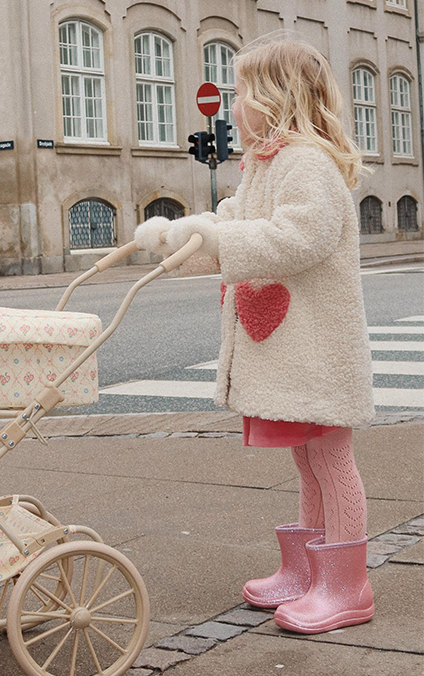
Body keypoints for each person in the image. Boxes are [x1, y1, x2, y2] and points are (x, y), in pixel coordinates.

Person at [135, 35, 375, 635]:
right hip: (296, 351)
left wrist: (216, 242)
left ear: (275, 97)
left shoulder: (307, 162)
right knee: (307, 459)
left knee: (330, 456)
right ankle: (307, 572)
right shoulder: (269, 161)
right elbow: (233, 222)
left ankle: (346, 585)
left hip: (319, 349)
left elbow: (300, 237)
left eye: (239, 92)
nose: (231, 103)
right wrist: (182, 237)